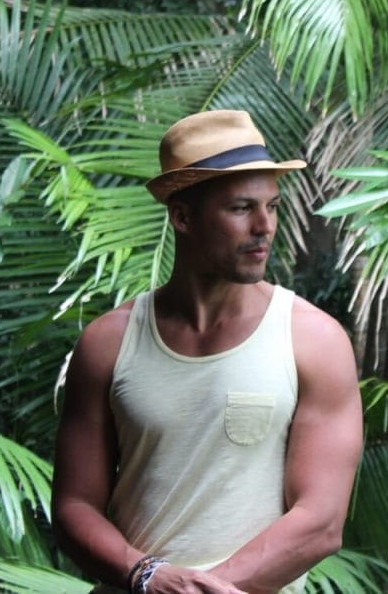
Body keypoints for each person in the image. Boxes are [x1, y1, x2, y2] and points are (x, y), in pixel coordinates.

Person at [52, 109, 364, 594]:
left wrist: (196, 591)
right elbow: (74, 507)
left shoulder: (314, 340)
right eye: (242, 208)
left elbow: (320, 521)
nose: (265, 226)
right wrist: (148, 577)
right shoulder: (108, 343)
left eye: (273, 206)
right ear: (182, 216)